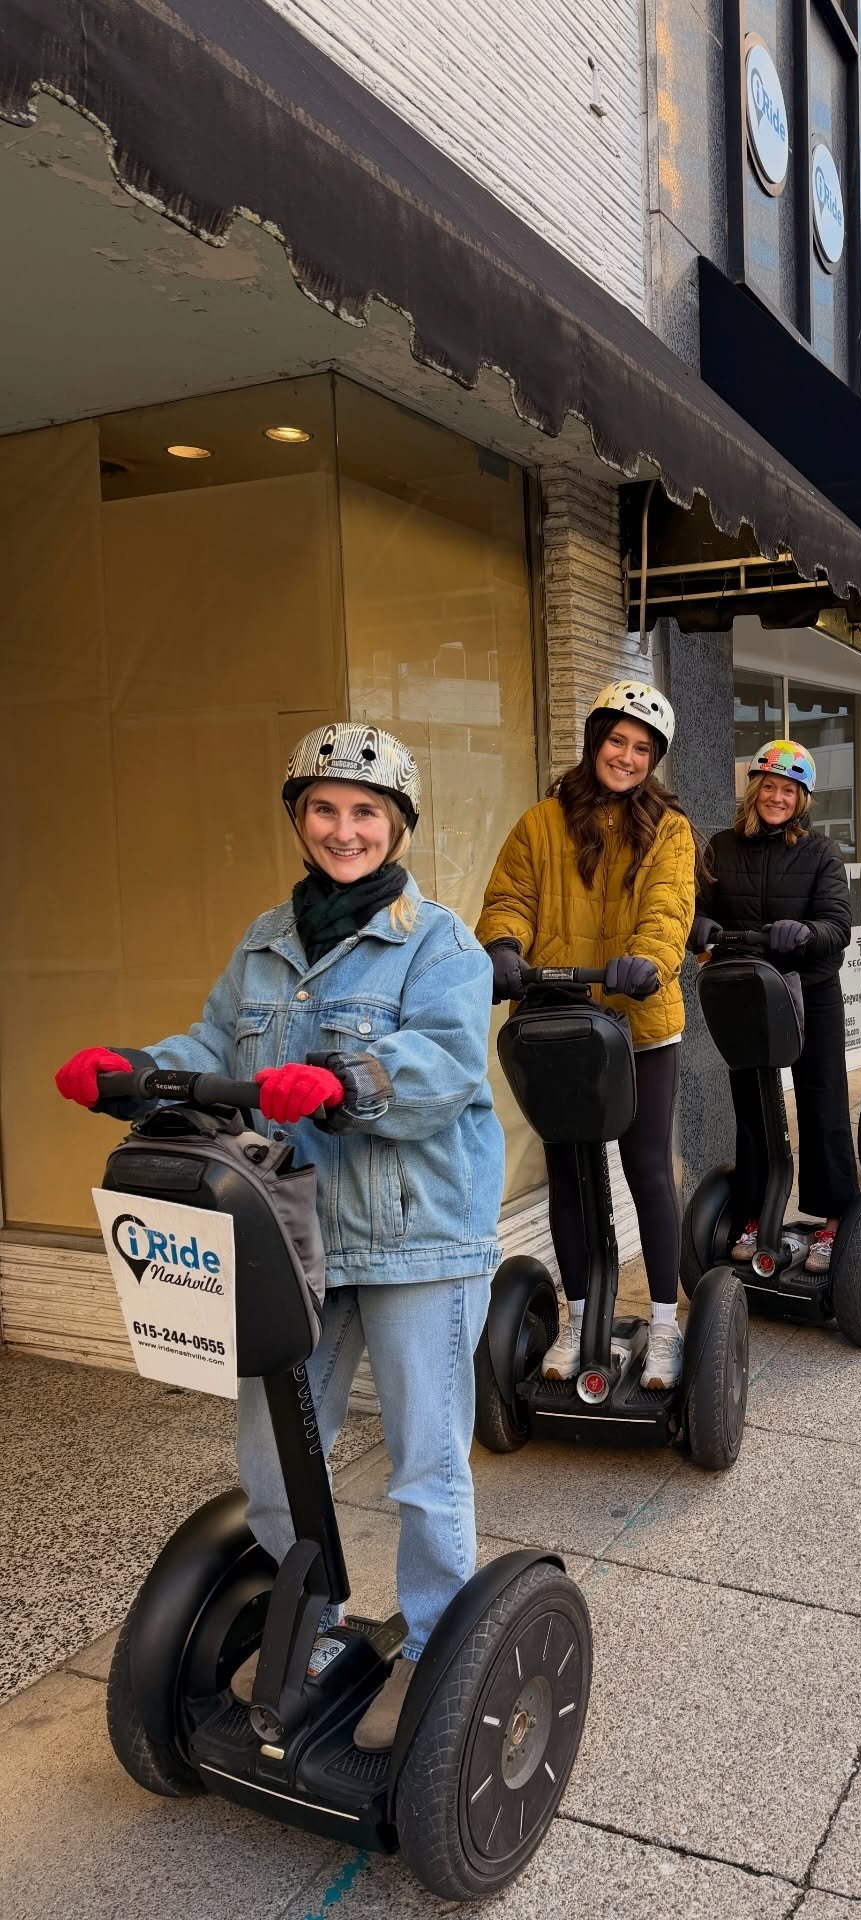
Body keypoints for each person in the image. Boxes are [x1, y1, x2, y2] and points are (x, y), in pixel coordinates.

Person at [54, 723, 502, 1752]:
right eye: (324, 809)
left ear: (395, 828)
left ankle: (435, 1646)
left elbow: (444, 1064)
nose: (344, 828)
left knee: (425, 1460)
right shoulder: (266, 942)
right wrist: (130, 1068)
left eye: (366, 813)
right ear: (299, 819)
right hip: (293, 1238)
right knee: (272, 1455)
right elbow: (216, 1042)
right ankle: (317, 1626)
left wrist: (351, 1081)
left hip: (412, 1236)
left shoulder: (439, 943)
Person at [478, 681, 697, 1389]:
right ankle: (578, 1320)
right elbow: (509, 894)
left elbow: (668, 907)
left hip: (637, 1026)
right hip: (559, 1024)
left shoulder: (669, 828)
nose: (627, 757)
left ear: (654, 759)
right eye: (617, 740)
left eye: (643, 748)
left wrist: (650, 960)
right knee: (570, 1178)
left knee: (648, 1174)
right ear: (596, 738)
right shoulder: (541, 821)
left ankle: (664, 1325)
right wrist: (504, 946)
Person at [690, 739, 857, 1272]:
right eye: (769, 787)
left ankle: (831, 1222)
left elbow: (838, 926)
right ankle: (757, 1215)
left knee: (822, 1102)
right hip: (748, 992)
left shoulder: (821, 853)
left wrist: (804, 932)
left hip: (809, 990)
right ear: (754, 790)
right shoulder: (721, 847)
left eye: (788, 789)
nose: (776, 797)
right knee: (753, 1110)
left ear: (802, 798)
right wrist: (701, 929)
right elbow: (691, 911)